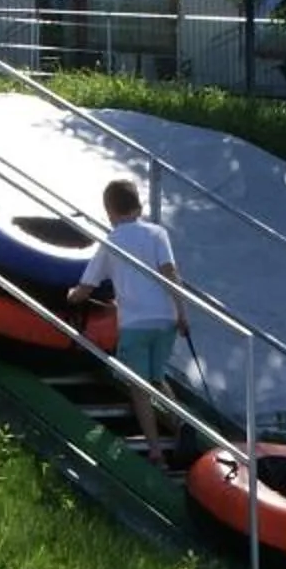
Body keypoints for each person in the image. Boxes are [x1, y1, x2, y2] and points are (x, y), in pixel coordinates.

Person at [69, 179, 193, 464]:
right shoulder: (157, 233)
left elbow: (86, 287)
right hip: (165, 319)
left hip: (135, 323)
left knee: (139, 388)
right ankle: (182, 423)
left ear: (109, 211)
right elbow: (170, 273)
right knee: (157, 377)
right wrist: (182, 313)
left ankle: (155, 450)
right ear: (138, 206)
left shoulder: (111, 242)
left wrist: (72, 296)